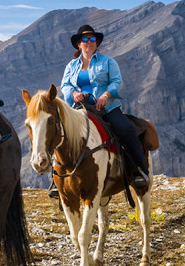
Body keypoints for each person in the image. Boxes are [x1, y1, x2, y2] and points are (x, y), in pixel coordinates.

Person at [59, 24, 150, 189]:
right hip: (80, 109)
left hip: (106, 107)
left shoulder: (108, 62)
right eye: (85, 39)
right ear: (79, 44)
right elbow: (65, 85)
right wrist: (73, 94)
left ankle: (139, 171)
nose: (89, 42)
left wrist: (106, 95)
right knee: (59, 134)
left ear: (96, 43)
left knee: (124, 129)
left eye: (92, 39)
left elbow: (117, 82)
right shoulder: (71, 66)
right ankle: (57, 180)